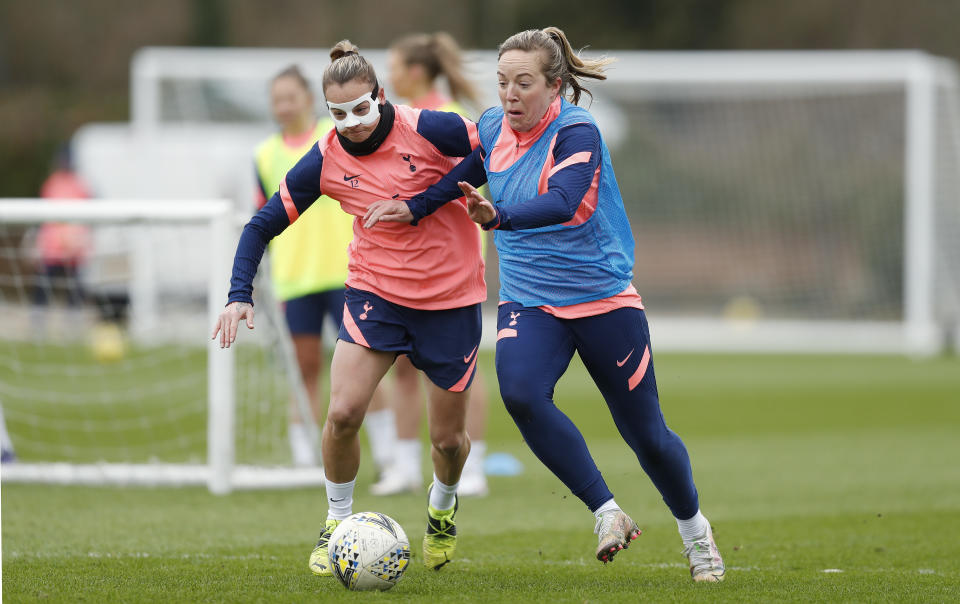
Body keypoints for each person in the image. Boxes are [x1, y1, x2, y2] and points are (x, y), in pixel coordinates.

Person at [363, 27, 726, 583]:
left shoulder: (576, 131)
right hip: (531, 302)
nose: (509, 93)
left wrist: (499, 218)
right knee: (522, 393)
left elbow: (561, 200)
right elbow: (470, 173)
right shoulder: (491, 125)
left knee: (646, 436)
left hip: (602, 298)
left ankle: (695, 532)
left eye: (523, 82)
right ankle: (607, 512)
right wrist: (415, 207)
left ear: (553, 86)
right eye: (503, 81)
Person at [213, 40, 486, 574]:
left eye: (362, 108)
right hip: (375, 294)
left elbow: (493, 151)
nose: (353, 123)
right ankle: (337, 520)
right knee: (341, 413)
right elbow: (261, 224)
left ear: (380, 97)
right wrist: (237, 294)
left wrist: (420, 205)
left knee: (449, 441)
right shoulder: (325, 157)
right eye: (339, 114)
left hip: (450, 299)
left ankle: (443, 507)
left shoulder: (429, 126)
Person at [365, 32, 490, 497]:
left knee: (460, 369)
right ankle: (403, 464)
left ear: (415, 71)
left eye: (394, 65)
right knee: (398, 363)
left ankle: (469, 467)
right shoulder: (393, 118)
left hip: (449, 263)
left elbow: (478, 172)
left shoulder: (443, 117)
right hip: (402, 262)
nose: (389, 74)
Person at [254, 64, 388, 467]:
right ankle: (302, 457)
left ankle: (389, 455)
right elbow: (262, 215)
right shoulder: (264, 154)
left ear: (310, 99)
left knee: (365, 367)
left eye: (290, 97)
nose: (284, 106)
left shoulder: (333, 139)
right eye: (277, 99)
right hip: (295, 279)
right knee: (304, 368)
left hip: (348, 273)